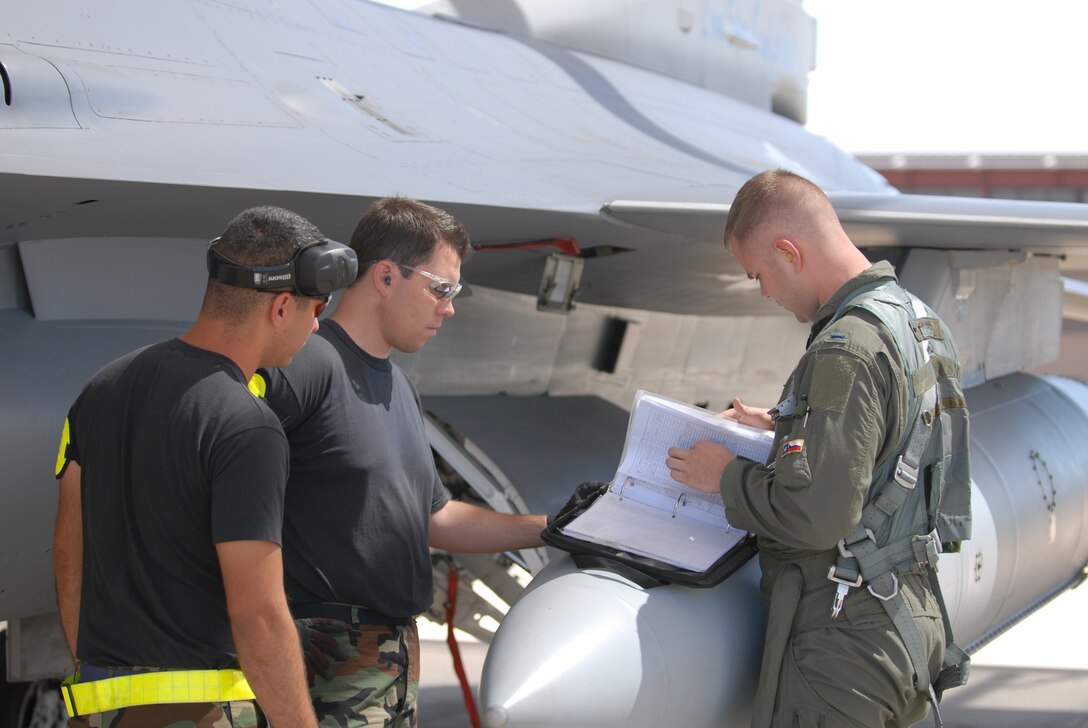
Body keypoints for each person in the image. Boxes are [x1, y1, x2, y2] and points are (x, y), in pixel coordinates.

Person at [666, 170, 972, 728]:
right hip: (907, 613)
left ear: (789, 250)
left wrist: (724, 475)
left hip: (843, 642)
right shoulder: (915, 318)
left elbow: (816, 516)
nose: (764, 291)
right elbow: (900, 446)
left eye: (760, 273)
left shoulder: (846, 348)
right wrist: (785, 430)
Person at [52, 206, 358, 727]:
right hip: (200, 713)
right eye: (317, 309)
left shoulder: (101, 389)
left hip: (103, 708)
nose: (317, 326)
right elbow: (258, 616)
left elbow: (69, 553)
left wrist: (93, 672)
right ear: (282, 307)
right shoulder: (248, 424)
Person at [254, 197, 547, 727]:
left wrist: (552, 529)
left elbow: (435, 517)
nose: (449, 307)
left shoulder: (399, 389)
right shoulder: (306, 366)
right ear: (386, 277)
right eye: (442, 288)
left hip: (386, 667)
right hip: (321, 666)